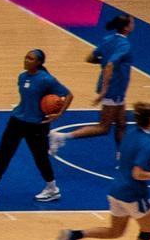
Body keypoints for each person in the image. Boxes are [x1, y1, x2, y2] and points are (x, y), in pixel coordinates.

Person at [55, 102, 150, 240]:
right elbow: (138, 174)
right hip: (134, 194)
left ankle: (75, 234)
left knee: (115, 232)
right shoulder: (148, 144)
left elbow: (128, 158)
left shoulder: (130, 134)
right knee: (148, 230)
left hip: (116, 191)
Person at [0, 49, 69, 204]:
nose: (26, 60)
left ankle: (52, 189)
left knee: (40, 158)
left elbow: (68, 94)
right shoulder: (22, 77)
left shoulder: (46, 79)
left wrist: (59, 114)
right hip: (17, 120)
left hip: (36, 124)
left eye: (30, 58)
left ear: (39, 62)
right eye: (26, 57)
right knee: (3, 153)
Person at [54, 14, 136, 152]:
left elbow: (90, 58)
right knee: (103, 128)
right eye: (132, 23)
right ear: (127, 27)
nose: (134, 25)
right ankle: (61, 137)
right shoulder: (125, 45)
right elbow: (110, 65)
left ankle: (122, 156)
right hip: (113, 89)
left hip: (116, 89)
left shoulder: (108, 39)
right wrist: (104, 90)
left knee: (122, 123)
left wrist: (103, 63)